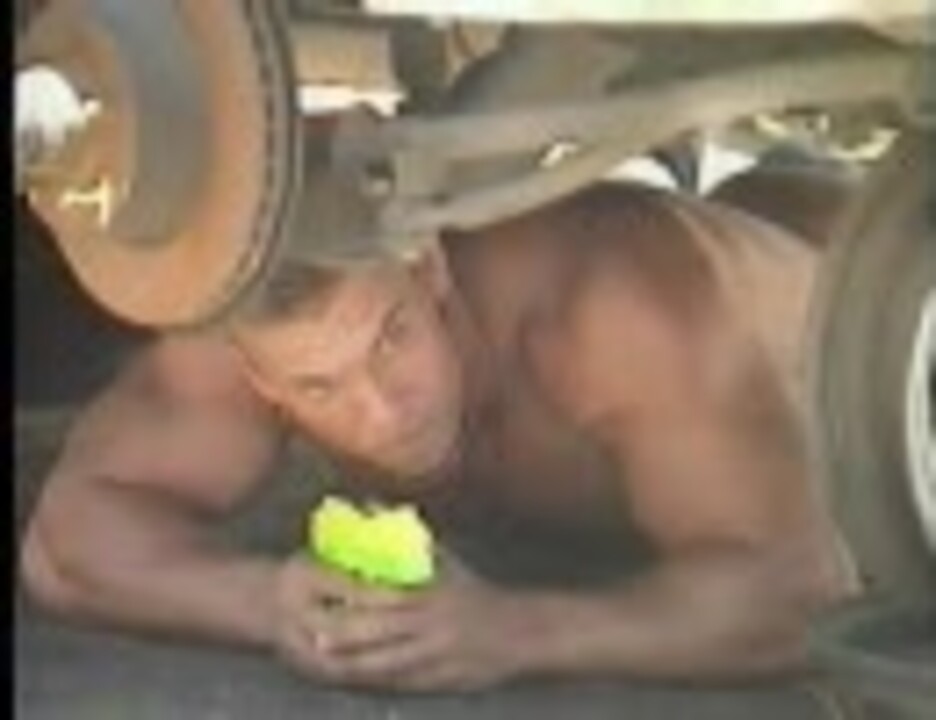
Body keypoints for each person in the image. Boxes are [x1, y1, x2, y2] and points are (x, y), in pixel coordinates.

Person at [19, 170, 857, 693]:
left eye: (392, 338)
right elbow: (68, 544)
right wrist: (267, 604)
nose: (382, 410)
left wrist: (519, 631)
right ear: (262, 381)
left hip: (865, 318)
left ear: (428, 267)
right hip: (737, 255)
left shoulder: (617, 313)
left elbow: (805, 586)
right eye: (319, 388)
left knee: (824, 217)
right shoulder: (255, 338)